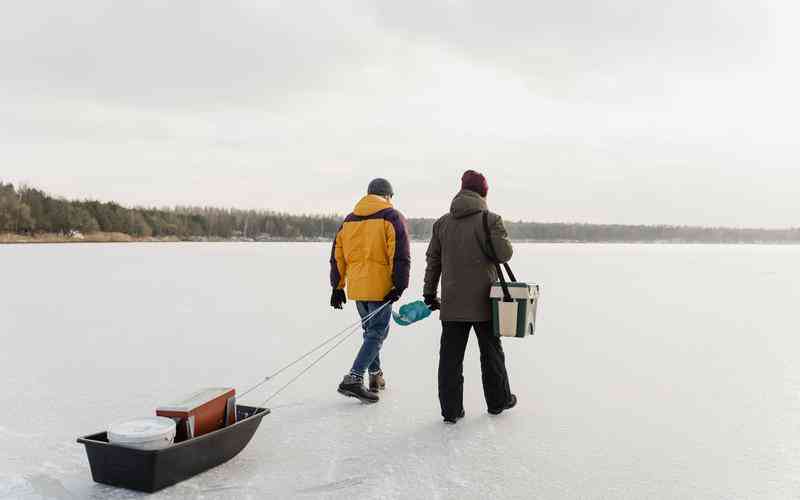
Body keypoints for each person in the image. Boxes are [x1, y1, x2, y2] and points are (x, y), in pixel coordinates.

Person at [423, 170, 517, 423]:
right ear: (483, 192)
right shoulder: (491, 220)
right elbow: (505, 254)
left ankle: (451, 411)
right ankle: (499, 401)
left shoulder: (442, 223)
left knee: (450, 359)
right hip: (485, 302)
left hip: (452, 303)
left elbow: (433, 261)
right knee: (491, 353)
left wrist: (429, 293)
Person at [330, 178, 410, 403]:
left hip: (358, 288)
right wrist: (399, 285)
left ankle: (375, 376)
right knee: (377, 334)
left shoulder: (349, 220)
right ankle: (354, 378)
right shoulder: (391, 217)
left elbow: (337, 255)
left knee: (370, 334)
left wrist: (337, 287)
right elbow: (400, 254)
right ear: (387, 196)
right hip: (381, 288)